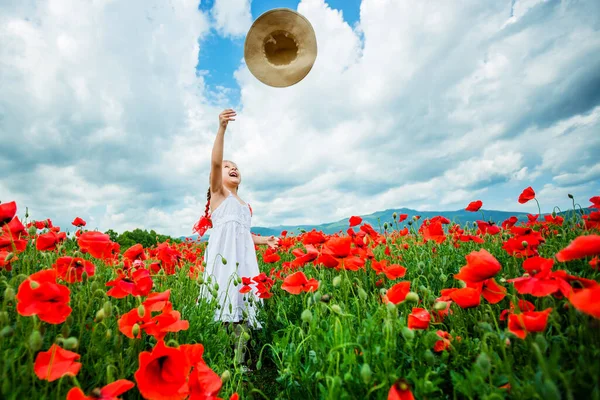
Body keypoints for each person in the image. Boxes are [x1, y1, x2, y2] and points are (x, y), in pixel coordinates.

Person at [196, 109, 279, 367]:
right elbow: (215, 163)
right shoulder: (220, 195)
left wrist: (265, 242)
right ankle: (219, 354)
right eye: (228, 167)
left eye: (236, 168)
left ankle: (240, 358)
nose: (233, 169)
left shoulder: (243, 204)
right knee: (223, 302)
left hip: (242, 261)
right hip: (224, 261)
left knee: (242, 305)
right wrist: (221, 129)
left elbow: (243, 235)